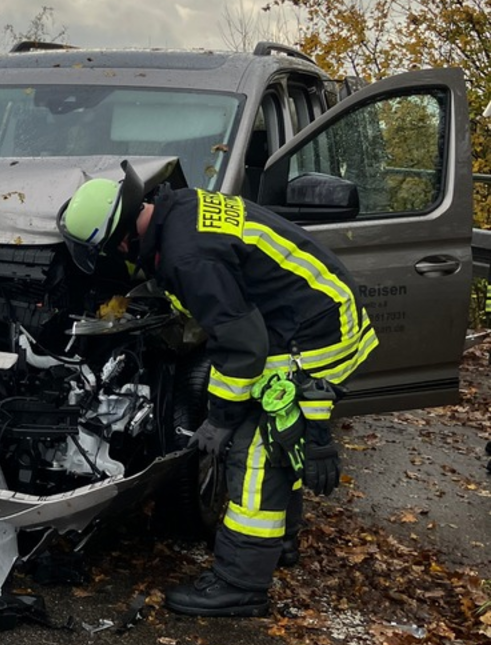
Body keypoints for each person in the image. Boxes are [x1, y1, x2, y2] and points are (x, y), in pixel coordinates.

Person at [58, 168, 378, 617]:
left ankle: (240, 586)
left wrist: (220, 418)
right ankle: (280, 544)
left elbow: (244, 347)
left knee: (256, 454)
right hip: (309, 313)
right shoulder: (179, 208)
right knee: (278, 440)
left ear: (124, 240)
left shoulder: (188, 257)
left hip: (313, 336)